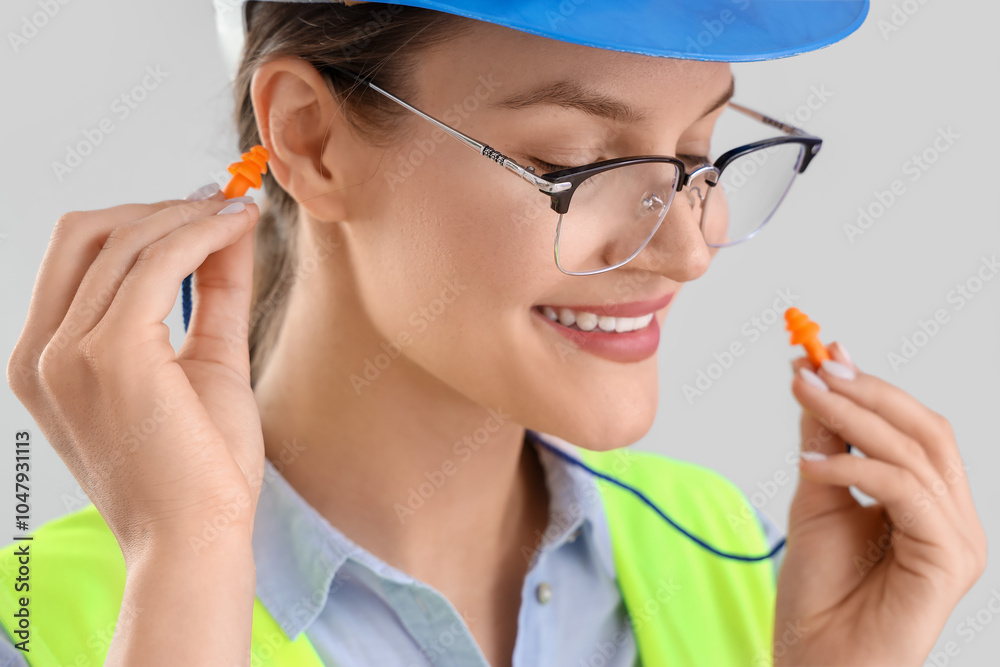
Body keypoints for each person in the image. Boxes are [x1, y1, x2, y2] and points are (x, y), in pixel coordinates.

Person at [0, 1, 987, 665]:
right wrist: (185, 572)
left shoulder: (738, 555)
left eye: (697, 152)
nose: (688, 248)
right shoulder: (34, 622)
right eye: (575, 160)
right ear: (307, 139)